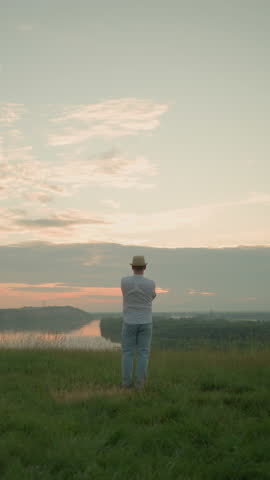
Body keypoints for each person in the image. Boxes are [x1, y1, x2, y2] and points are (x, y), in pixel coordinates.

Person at [120, 255, 156, 389]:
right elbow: (151, 297)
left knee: (127, 353)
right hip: (146, 322)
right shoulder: (151, 283)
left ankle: (126, 383)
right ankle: (140, 384)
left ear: (132, 267)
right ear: (145, 267)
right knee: (143, 353)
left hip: (129, 321)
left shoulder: (124, 281)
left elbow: (127, 296)